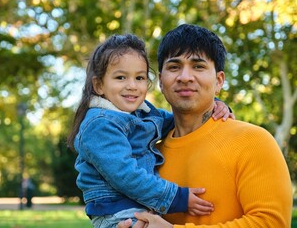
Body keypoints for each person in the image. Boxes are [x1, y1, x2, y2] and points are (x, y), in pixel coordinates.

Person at [117, 24, 293, 228]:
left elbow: (272, 223)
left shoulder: (253, 141)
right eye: (174, 67)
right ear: (161, 82)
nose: (185, 77)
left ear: (219, 81)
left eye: (198, 66)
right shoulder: (150, 156)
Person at [67, 33, 233, 228]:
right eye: (120, 77)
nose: (132, 86)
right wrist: (176, 197)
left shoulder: (143, 114)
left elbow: (181, 120)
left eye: (140, 78)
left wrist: (216, 106)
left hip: (138, 207)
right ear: (99, 85)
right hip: (117, 213)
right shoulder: (100, 124)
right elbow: (125, 174)